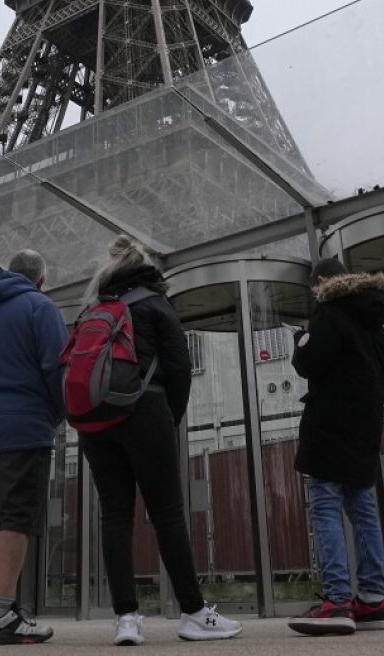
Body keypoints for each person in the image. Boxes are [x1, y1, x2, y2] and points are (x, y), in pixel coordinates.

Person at [77, 236, 243, 647]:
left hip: (95, 421)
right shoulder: (155, 303)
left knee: (115, 517)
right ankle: (192, 612)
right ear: (146, 268)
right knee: (167, 514)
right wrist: (171, 419)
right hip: (146, 412)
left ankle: (127, 619)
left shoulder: (93, 309)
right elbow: (179, 369)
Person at [0, 250, 67, 645]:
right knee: (17, 519)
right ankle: (4, 614)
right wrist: (58, 414)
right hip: (25, 426)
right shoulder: (40, 307)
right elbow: (57, 366)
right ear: (41, 279)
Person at [288, 257, 384, 636]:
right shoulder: (379, 328)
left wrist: (300, 339)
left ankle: (336, 601)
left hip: (331, 426)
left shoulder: (330, 314)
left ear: (321, 281)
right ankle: (372, 599)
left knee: (326, 506)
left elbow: (307, 363)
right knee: (363, 510)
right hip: (366, 429)